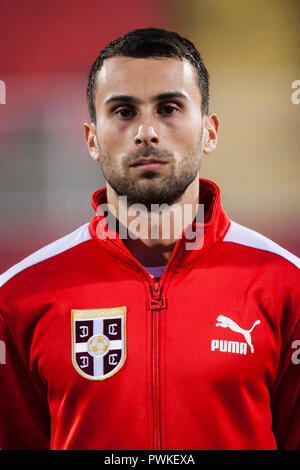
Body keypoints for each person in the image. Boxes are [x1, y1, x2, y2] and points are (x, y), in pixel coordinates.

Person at [0, 27, 299, 451]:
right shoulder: (18, 297)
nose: (146, 132)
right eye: (123, 111)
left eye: (169, 107)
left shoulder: (287, 287)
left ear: (210, 131)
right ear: (91, 140)